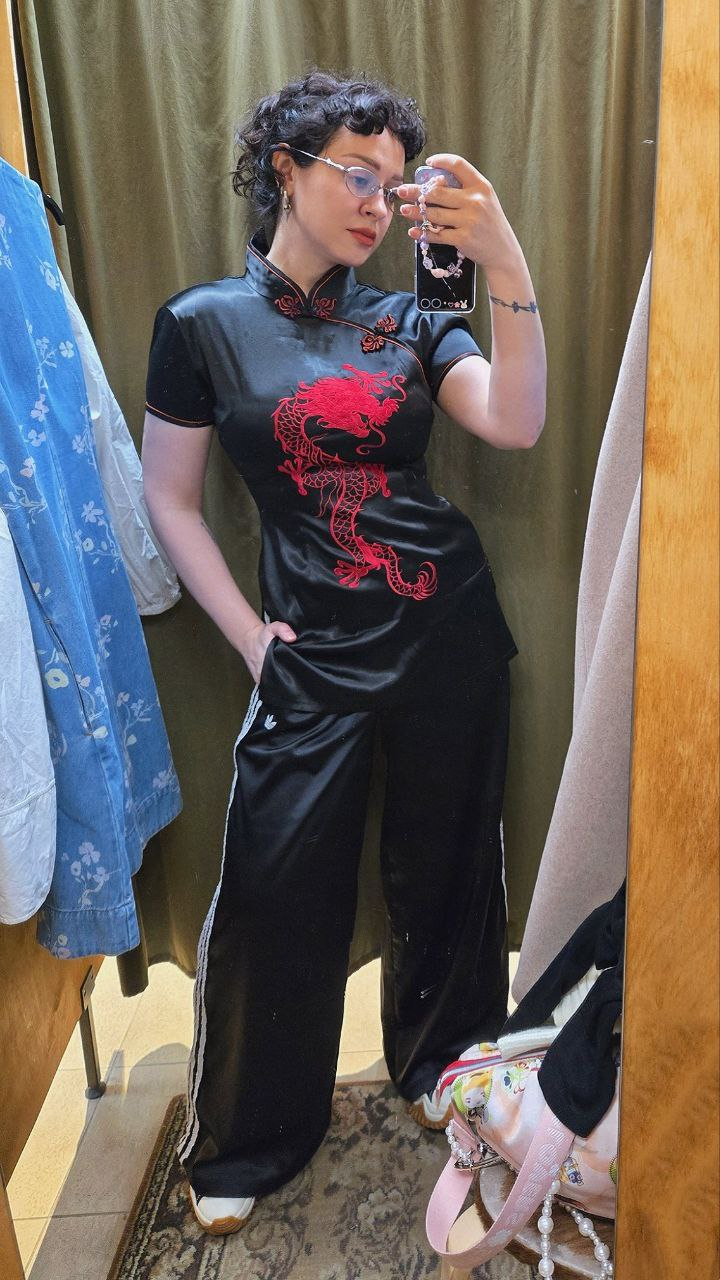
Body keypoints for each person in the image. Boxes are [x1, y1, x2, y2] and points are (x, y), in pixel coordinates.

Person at [142, 69, 546, 1235]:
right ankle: (251, 1133)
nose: (378, 203)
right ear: (286, 169)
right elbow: (171, 499)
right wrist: (249, 639)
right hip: (308, 651)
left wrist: (503, 257)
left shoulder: (410, 320)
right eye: (356, 176)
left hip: (444, 634)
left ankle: (442, 1070)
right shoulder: (201, 325)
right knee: (277, 889)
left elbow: (515, 420)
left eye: (393, 186)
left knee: (450, 869)